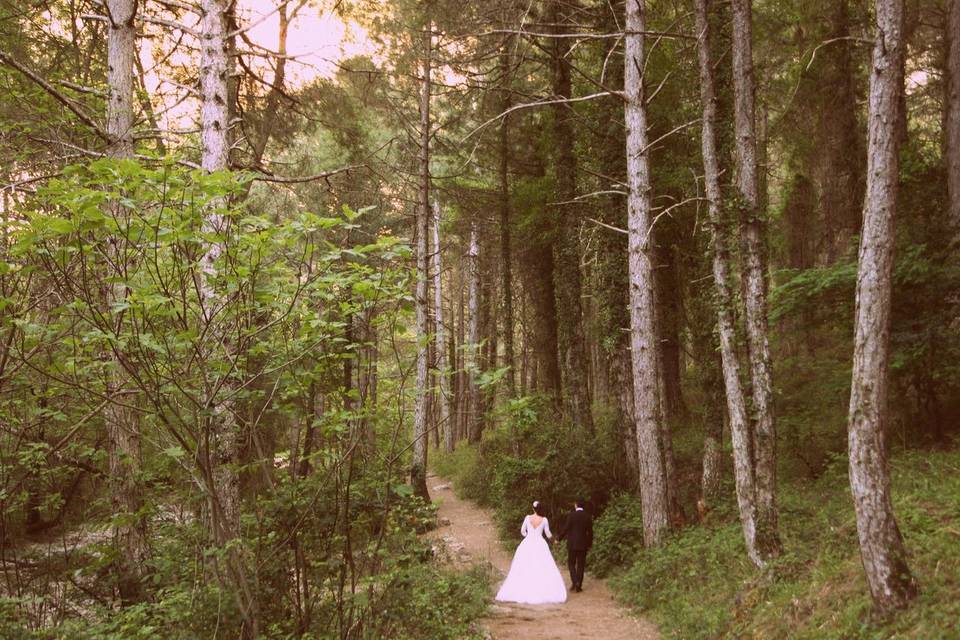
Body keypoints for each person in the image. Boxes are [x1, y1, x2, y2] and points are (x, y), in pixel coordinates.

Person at [494, 500, 567, 604]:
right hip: (540, 543)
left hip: (527, 543)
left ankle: (524, 587)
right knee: (541, 565)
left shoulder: (528, 518)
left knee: (525, 564)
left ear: (533, 509)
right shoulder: (544, 520)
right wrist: (554, 541)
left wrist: (528, 536)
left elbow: (522, 531)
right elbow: (548, 534)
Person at [558, 497, 593, 592]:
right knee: (581, 565)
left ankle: (575, 582)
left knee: (571, 563)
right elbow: (590, 532)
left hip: (572, 544)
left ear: (576, 504)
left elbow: (566, 528)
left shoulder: (571, 515)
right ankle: (578, 584)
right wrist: (589, 544)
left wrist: (559, 538)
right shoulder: (587, 516)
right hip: (583, 544)